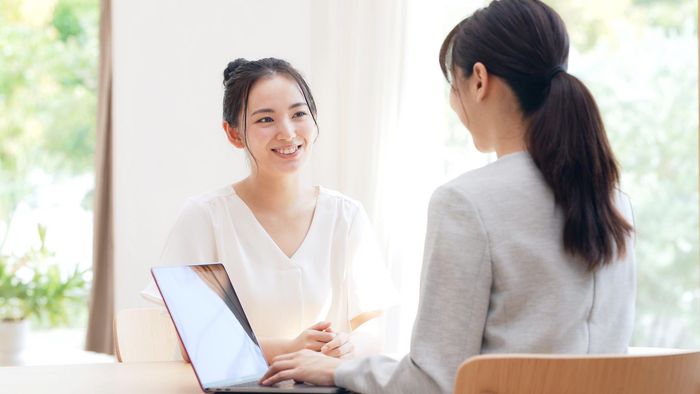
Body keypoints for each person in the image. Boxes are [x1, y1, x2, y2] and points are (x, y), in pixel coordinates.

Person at [260, 1, 636, 392]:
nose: (453, 101)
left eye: (451, 85)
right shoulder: (614, 201)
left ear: (478, 80)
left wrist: (336, 371)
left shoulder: (466, 202)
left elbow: (431, 382)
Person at [142, 57, 396, 363]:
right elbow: (193, 341)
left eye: (299, 113)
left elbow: (372, 328)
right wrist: (290, 350)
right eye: (265, 119)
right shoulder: (206, 217)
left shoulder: (346, 215)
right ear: (234, 134)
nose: (287, 132)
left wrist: (348, 346)